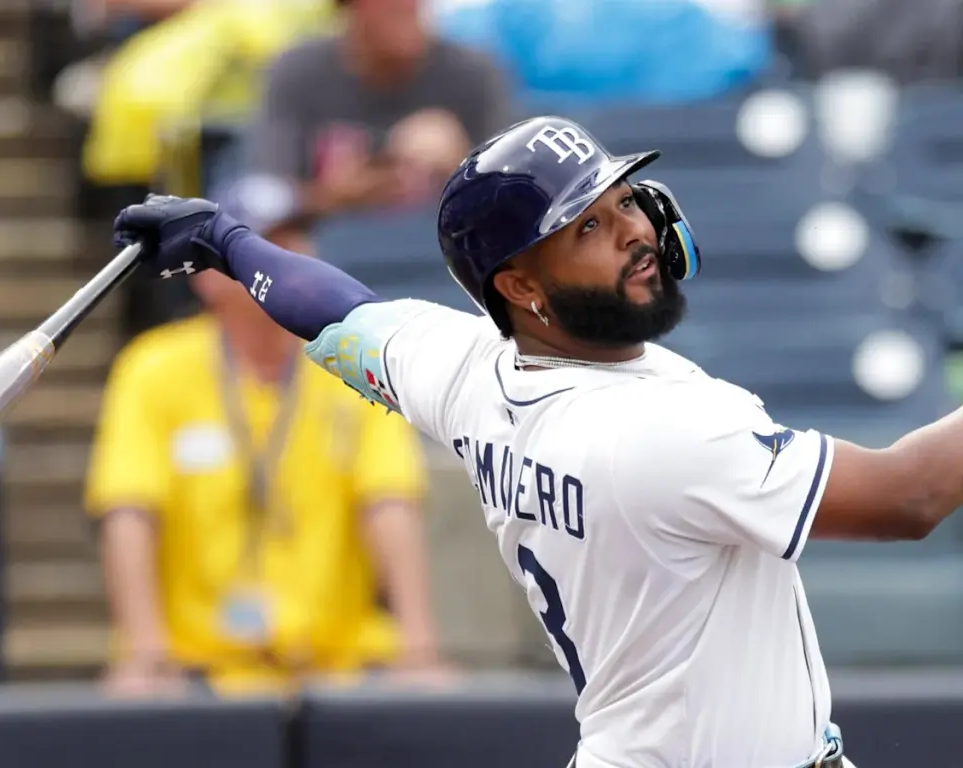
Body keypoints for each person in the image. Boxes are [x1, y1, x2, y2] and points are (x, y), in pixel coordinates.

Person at [100, 114, 933, 765]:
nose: (636, 232)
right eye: (588, 229)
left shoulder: (470, 372)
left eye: (625, 204)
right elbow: (908, 497)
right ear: (522, 287)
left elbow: (335, 309)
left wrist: (225, 240)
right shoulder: (658, 432)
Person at [84, 263, 445, 698]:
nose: (279, 262)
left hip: (336, 667)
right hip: (198, 668)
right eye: (257, 249)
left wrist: (419, 648)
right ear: (207, 276)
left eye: (290, 242)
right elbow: (129, 512)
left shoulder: (350, 364)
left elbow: (390, 504)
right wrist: (145, 651)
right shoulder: (154, 366)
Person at [226, 0, 514, 251]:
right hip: (333, 254)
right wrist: (335, 196)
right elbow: (260, 196)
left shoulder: (472, 72)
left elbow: (517, 200)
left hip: (444, 254)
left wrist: (461, 162)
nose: (407, 6)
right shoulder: (299, 71)